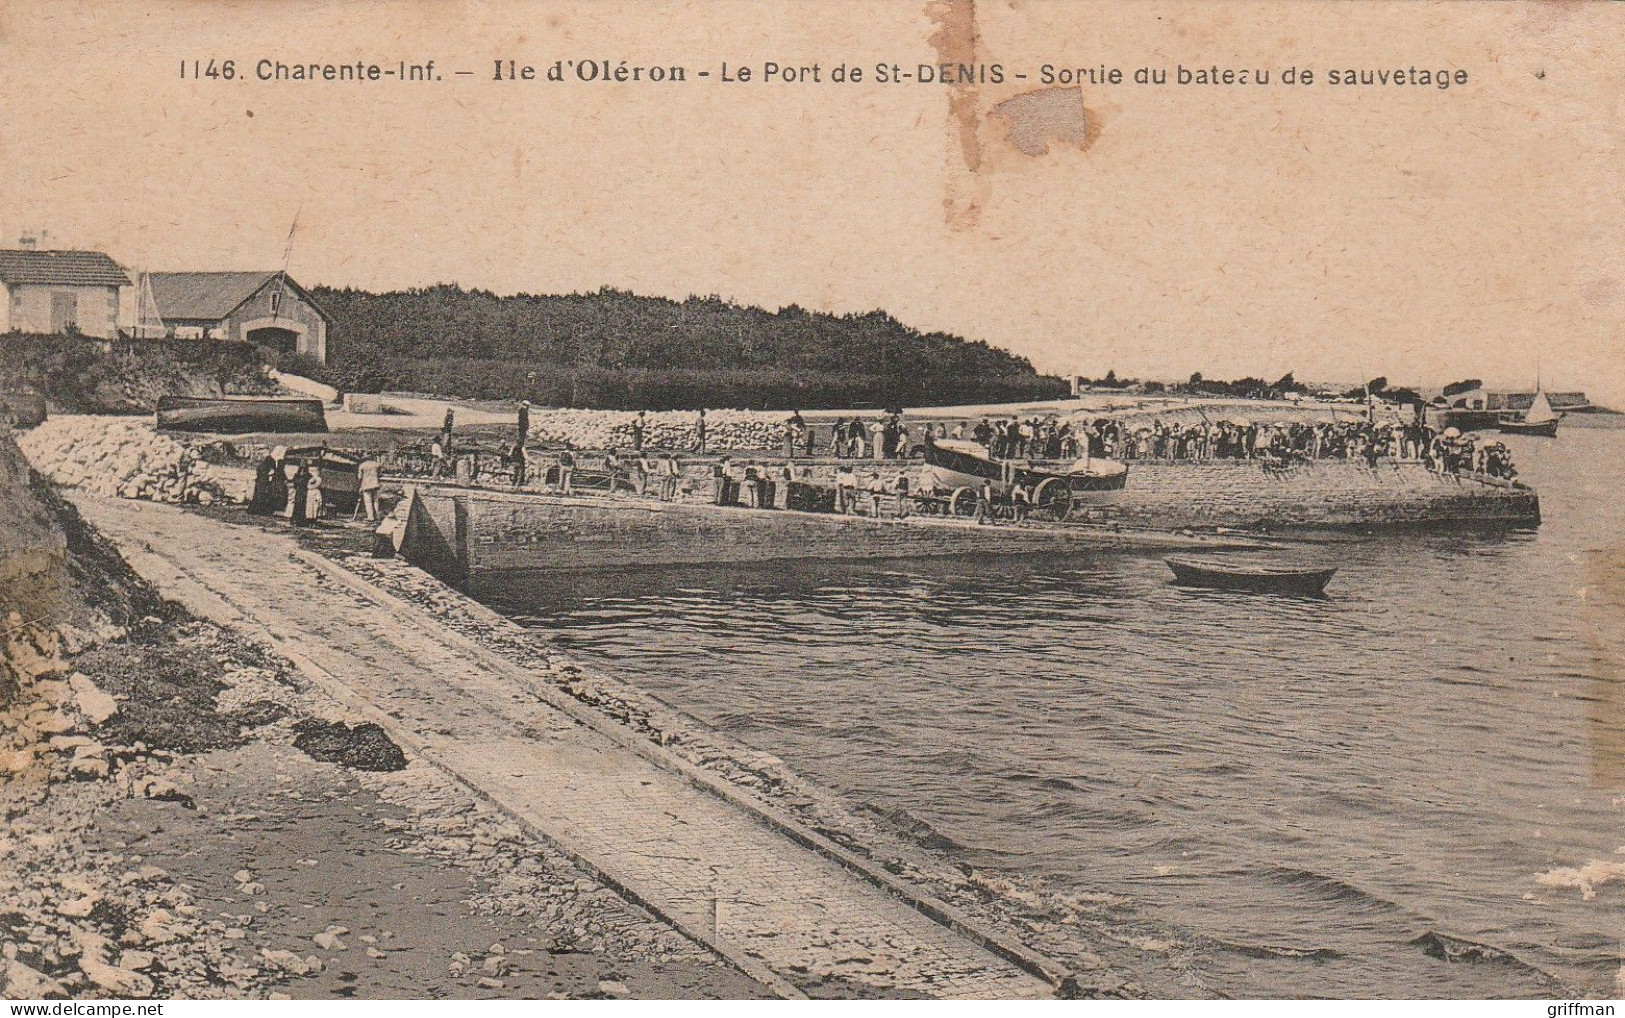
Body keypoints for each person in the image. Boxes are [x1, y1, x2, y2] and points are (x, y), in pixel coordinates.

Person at [358, 455, 381, 522]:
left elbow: (359, 477)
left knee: (368, 502)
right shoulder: (377, 465)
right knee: (376, 501)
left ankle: (370, 517)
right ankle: (377, 516)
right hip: (375, 484)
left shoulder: (362, 465)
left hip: (366, 486)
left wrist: (360, 486)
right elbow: (379, 474)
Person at [289, 462, 312, 526]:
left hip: (304, 492)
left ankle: (301, 521)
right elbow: (295, 483)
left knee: (302, 506)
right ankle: (295, 520)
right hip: (298, 492)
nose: (303, 469)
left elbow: (310, 483)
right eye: (302, 467)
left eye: (304, 467)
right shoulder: (297, 475)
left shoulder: (308, 475)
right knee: (297, 506)